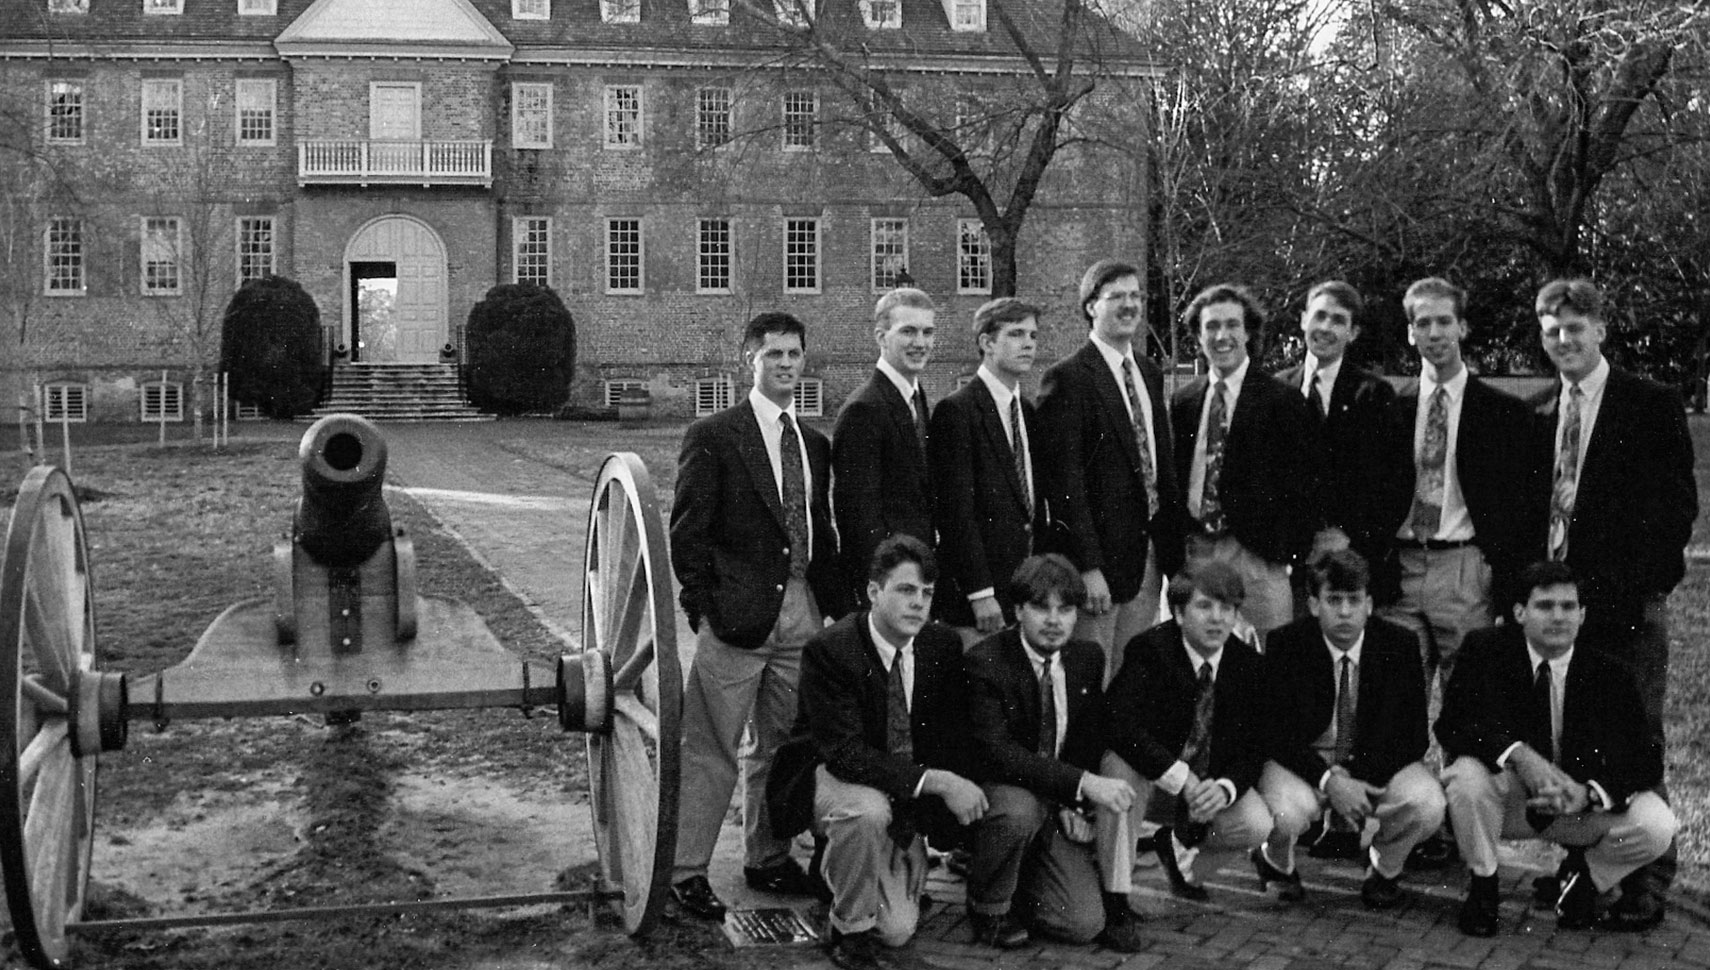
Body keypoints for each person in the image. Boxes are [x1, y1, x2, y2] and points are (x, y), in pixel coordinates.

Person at [667, 311, 845, 921]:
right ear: (750, 360)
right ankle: (686, 869)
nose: (787, 365)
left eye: (795, 354)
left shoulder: (813, 443)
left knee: (782, 746)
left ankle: (765, 857)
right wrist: (705, 610)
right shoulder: (717, 435)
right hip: (738, 619)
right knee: (711, 746)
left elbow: (820, 530)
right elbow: (687, 534)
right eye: (774, 355)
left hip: (802, 611)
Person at [1529, 277, 1696, 924]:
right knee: (1575, 741)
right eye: (1551, 329)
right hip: (1559, 616)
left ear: (1601, 329)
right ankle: (1587, 866)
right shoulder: (1543, 411)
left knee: (1635, 740)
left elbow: (1676, 510)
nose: (1563, 339)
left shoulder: (1648, 404)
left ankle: (1649, 880)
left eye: (1575, 327)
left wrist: (1631, 589)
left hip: (1625, 609)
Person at [769, 536, 985, 970]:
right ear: (873, 593)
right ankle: (849, 932)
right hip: (832, 775)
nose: (918, 604)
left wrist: (928, 816)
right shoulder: (831, 649)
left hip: (899, 788)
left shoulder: (940, 645)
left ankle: (846, 870)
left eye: (927, 593)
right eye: (905, 590)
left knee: (899, 930)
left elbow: (949, 736)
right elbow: (845, 753)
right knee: (865, 814)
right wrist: (940, 783)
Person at [1437, 561, 1677, 937]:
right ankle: (1483, 888)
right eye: (1545, 606)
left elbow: (1645, 760)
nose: (1558, 616)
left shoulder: (1610, 672)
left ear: (1582, 615)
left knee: (1657, 824)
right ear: (1519, 613)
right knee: (1466, 777)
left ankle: (1584, 881)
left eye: (1568, 607)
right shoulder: (1485, 651)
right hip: (1509, 801)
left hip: (1573, 806)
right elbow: (1451, 725)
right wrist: (1518, 754)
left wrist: (1588, 793)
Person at [963, 555, 1144, 952]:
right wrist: (1080, 784)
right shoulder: (986, 661)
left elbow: (1085, 739)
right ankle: (987, 906)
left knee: (1081, 924)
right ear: (1017, 610)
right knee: (1017, 811)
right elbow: (999, 754)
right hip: (1003, 796)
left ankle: (1025, 883)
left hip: (1052, 802)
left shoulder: (1086, 658)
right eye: (1041, 607)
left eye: (1065, 609)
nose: (1054, 620)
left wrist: (1075, 804)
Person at [1253, 549, 1443, 909]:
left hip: (1370, 764)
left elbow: (1414, 736)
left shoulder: (1398, 644)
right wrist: (1329, 781)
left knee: (1427, 802)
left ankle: (1384, 870)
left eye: (1354, 600)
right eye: (1333, 600)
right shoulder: (1286, 644)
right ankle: (1276, 861)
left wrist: (1353, 776)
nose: (1344, 612)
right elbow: (1275, 733)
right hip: (1306, 762)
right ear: (1312, 604)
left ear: (1369, 604)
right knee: (1286, 811)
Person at [1374, 277, 1539, 690]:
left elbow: (1520, 507)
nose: (1435, 333)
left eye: (1444, 321)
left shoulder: (1503, 413)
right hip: (1402, 570)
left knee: (1469, 698)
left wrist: (1501, 579)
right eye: (1423, 323)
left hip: (1465, 569)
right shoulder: (1388, 408)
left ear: (1462, 327)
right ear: (1410, 333)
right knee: (1396, 697)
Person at [1035, 260, 1184, 681]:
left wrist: (1173, 558)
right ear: (1090, 307)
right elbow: (1064, 483)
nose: (1129, 305)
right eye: (1116, 296)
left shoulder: (1149, 374)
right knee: (1089, 681)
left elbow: (1161, 467)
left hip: (1148, 560)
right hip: (1099, 569)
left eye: (1135, 296)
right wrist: (1087, 567)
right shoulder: (1067, 379)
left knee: (1131, 681)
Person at [1099, 560, 1272, 902]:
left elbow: (1255, 745)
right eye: (1204, 606)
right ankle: (1115, 897)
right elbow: (1119, 724)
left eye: (1227, 609)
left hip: (1205, 784)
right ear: (1178, 614)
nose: (1217, 618)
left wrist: (1224, 789)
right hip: (1153, 774)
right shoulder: (1150, 651)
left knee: (1257, 823)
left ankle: (1183, 862)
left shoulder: (1249, 665)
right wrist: (1179, 777)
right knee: (1118, 773)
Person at [1170, 284, 1320, 640]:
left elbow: (1304, 485)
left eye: (1232, 325)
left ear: (1248, 331)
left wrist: (1282, 552)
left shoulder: (1282, 399)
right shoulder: (1184, 401)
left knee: (1270, 661)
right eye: (1211, 327)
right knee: (1198, 656)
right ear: (1197, 336)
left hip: (1257, 557)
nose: (1222, 336)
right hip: (1198, 550)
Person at [927, 298, 1048, 647]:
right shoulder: (957, 411)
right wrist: (980, 592)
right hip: (980, 601)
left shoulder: (1025, 410)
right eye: (1015, 334)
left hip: (1023, 593)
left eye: (1032, 335)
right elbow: (956, 514)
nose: (1028, 344)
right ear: (986, 343)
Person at [1273, 281, 1396, 567]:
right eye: (1319, 316)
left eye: (1338, 320)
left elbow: (1391, 481)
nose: (1326, 328)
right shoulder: (1276, 389)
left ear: (1353, 333)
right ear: (1304, 320)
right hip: (1286, 559)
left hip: (1350, 558)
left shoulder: (1373, 394)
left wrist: (1349, 535)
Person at [834, 288, 939, 604]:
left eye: (927, 332)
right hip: (887, 587)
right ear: (881, 337)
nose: (920, 343)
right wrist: (881, 590)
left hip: (916, 577)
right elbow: (858, 517)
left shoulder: (917, 398)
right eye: (908, 331)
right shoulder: (864, 409)